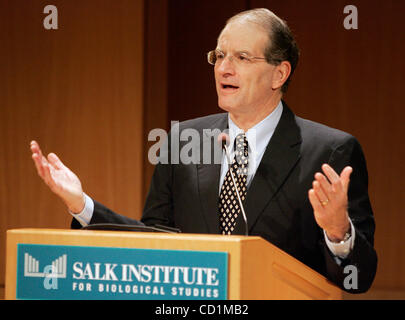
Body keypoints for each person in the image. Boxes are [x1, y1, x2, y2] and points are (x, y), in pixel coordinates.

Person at [30, 8, 377, 293]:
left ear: (279, 74)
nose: (224, 68)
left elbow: (358, 280)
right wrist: (82, 205)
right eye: (220, 55)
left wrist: (338, 232)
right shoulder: (183, 140)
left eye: (242, 57)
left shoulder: (330, 151)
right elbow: (152, 245)